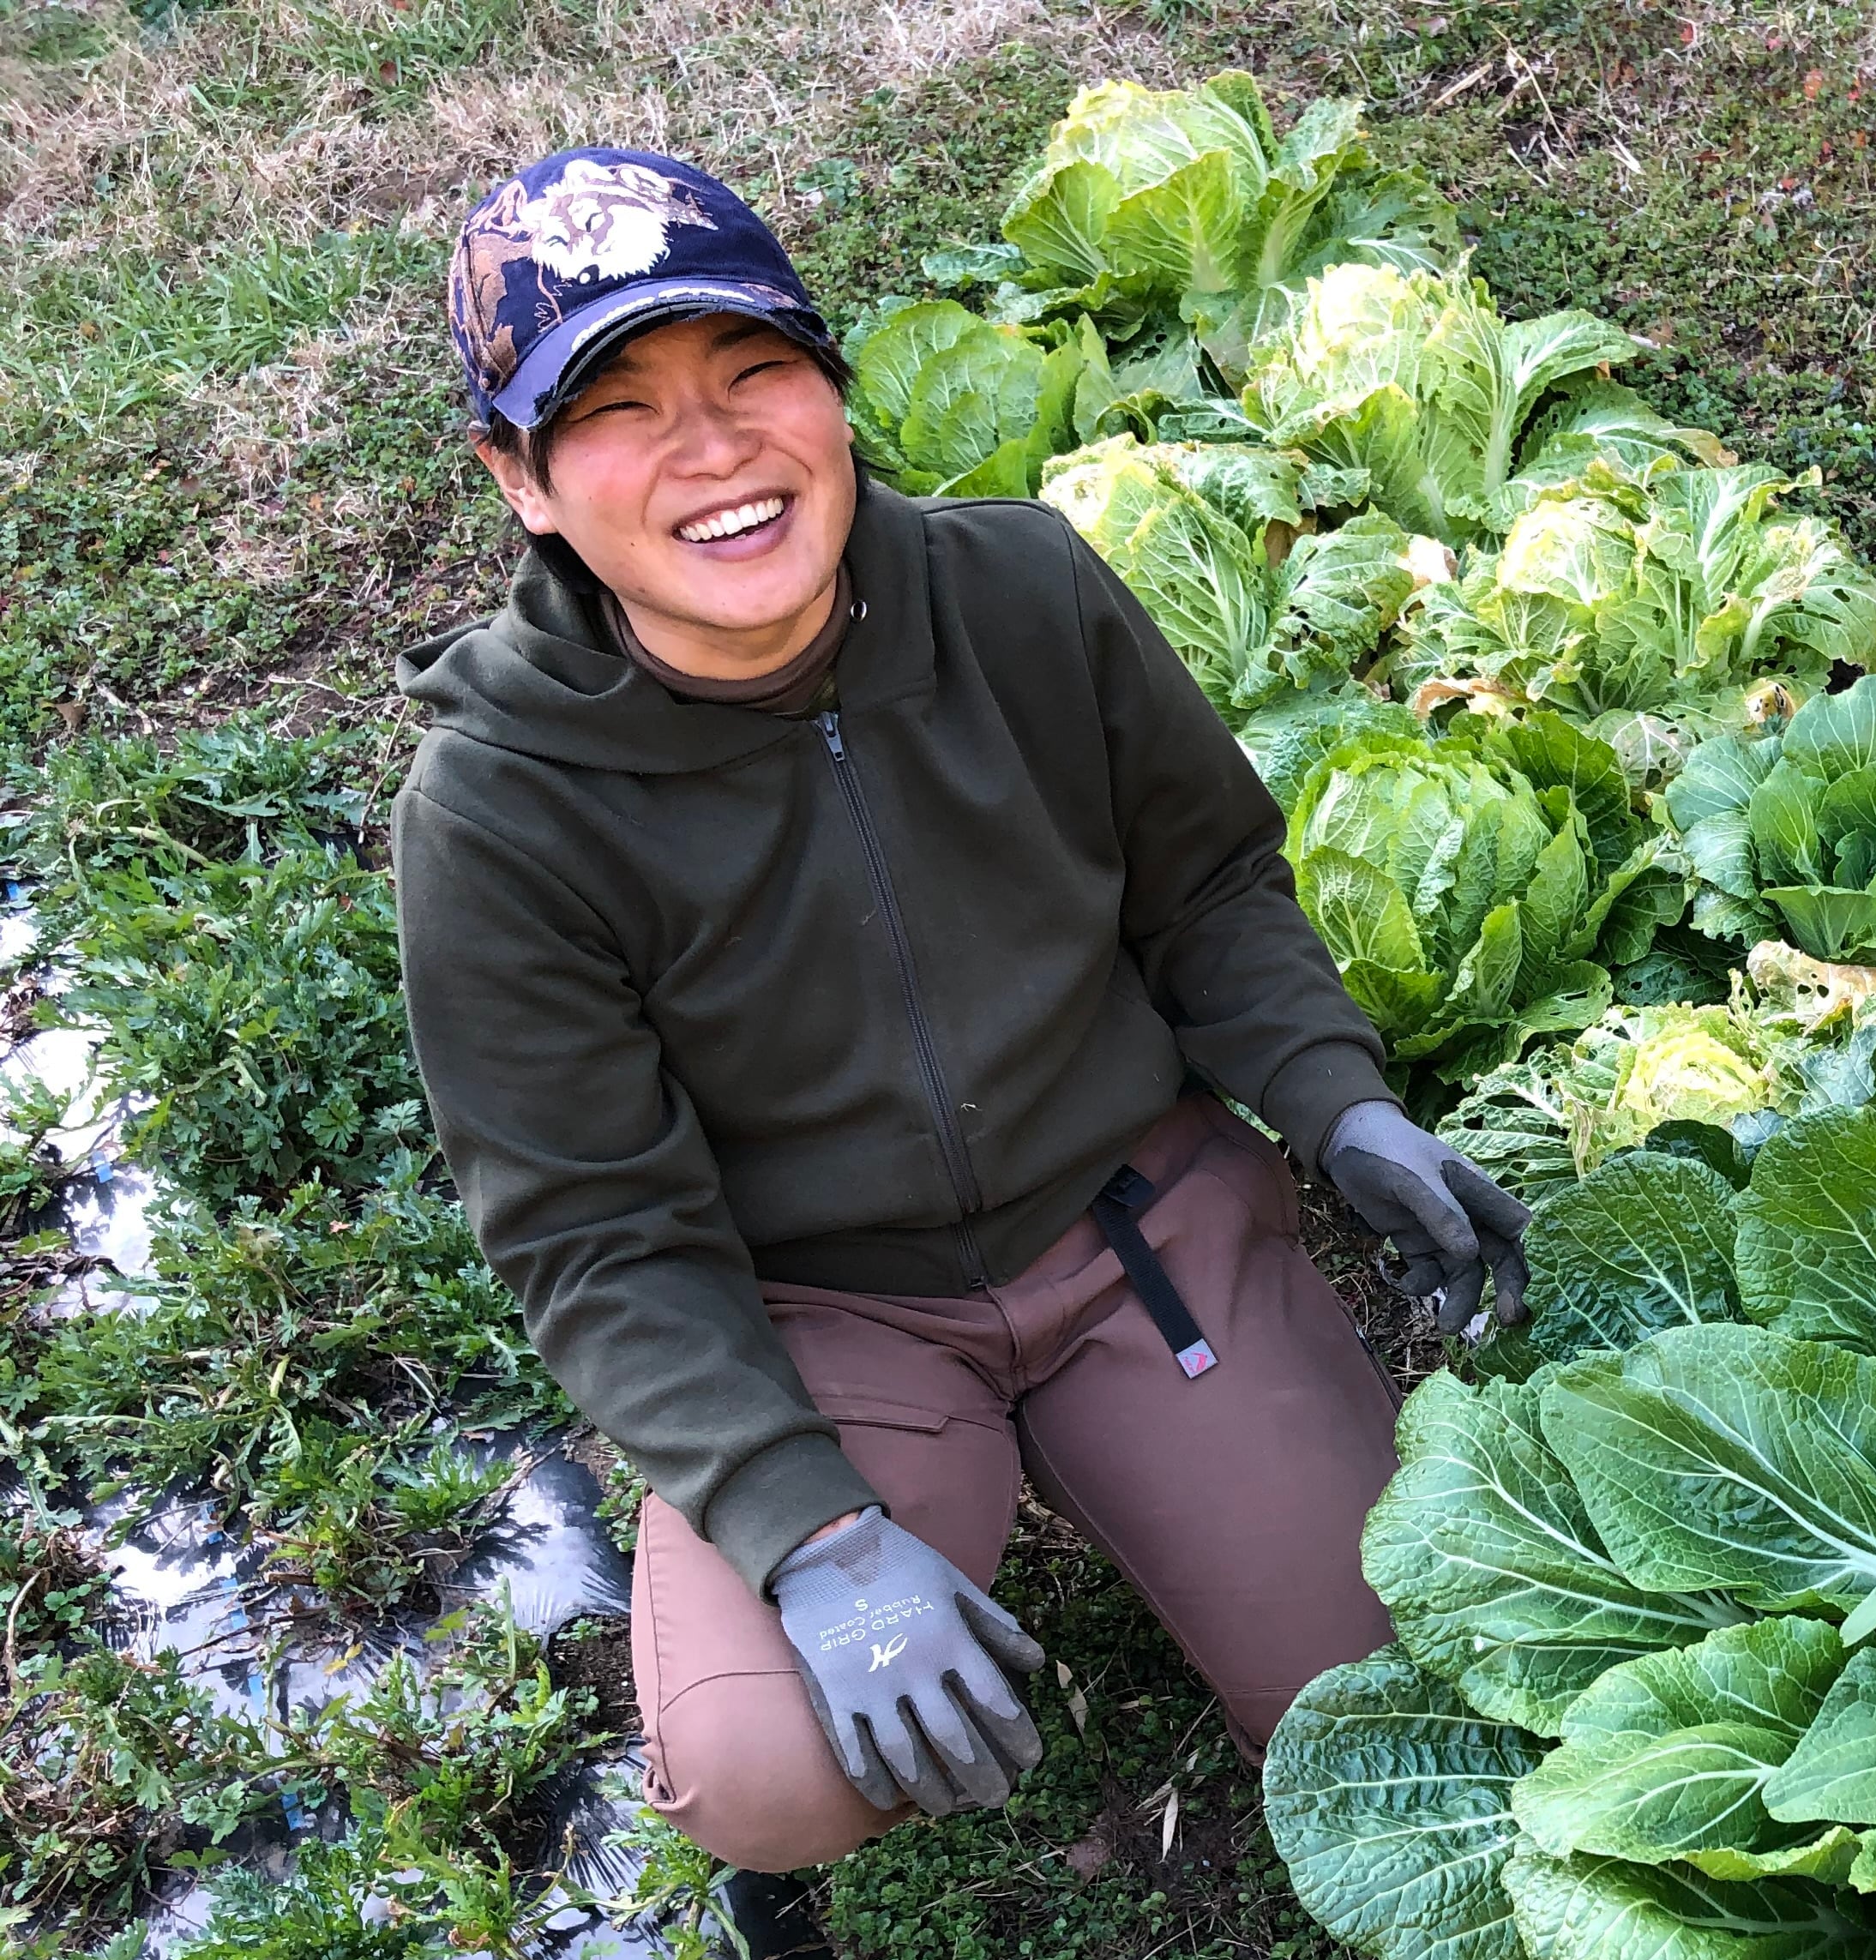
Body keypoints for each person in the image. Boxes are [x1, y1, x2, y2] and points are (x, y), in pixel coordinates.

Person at [392, 147, 1526, 1873]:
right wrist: (811, 1532)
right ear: (520, 479)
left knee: (1394, 1685)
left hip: (1138, 1232)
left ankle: (1166, 1429)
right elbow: (596, 1234)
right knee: (769, 1777)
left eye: (754, 371)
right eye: (617, 411)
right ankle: (868, 1500)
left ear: (831, 390)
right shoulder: (500, 811)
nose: (713, 449)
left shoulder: (1023, 591)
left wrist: (1336, 1100)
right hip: (829, 1316)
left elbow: (1210, 888)